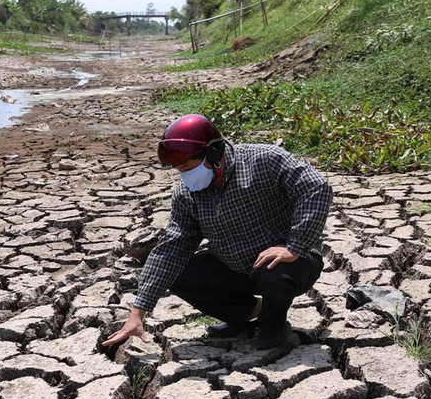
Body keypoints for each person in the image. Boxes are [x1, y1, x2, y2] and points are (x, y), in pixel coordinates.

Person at [102, 114, 333, 350]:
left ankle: (273, 326)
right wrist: (138, 312)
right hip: (237, 266)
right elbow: (171, 249)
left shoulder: (264, 160)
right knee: (180, 271)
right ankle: (245, 316)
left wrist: (294, 246)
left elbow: (316, 187)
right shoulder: (187, 194)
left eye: (187, 167)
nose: (185, 176)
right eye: (179, 170)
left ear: (213, 154)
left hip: (291, 263)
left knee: (273, 271)